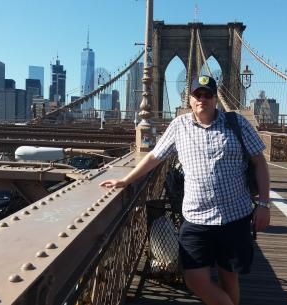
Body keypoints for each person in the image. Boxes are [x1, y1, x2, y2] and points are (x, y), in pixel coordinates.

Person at [100, 75, 270, 305]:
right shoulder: (179, 126)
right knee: (194, 279)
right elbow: (154, 156)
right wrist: (126, 180)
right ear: (189, 99)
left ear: (215, 99)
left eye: (208, 94)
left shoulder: (237, 123)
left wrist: (264, 204)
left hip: (234, 216)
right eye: (197, 94)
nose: (202, 99)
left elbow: (259, 161)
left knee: (229, 278)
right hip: (196, 218)